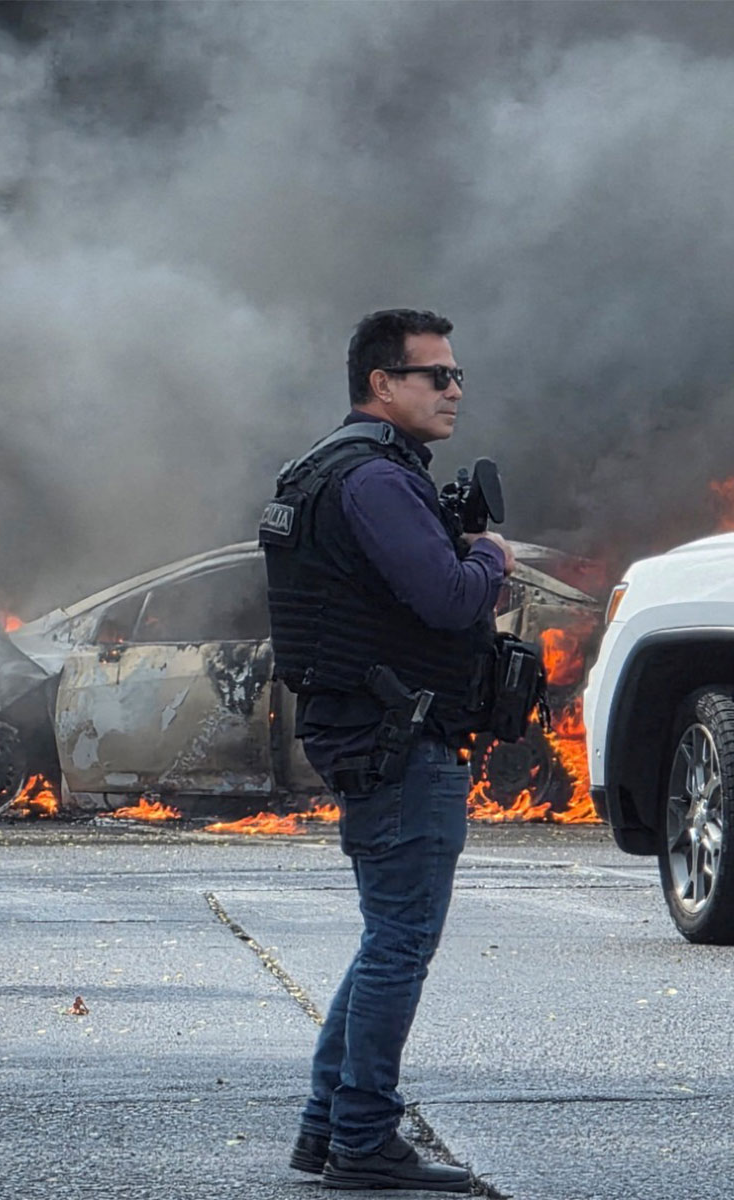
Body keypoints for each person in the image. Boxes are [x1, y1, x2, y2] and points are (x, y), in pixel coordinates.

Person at [258, 309, 515, 1192]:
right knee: (401, 941)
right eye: (434, 375)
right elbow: (447, 598)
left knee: (386, 938)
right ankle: (363, 1138)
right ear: (382, 384)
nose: (454, 389)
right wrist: (491, 559)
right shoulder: (373, 480)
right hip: (398, 740)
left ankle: (326, 1131)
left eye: (455, 374)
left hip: (374, 733)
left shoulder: (327, 469)